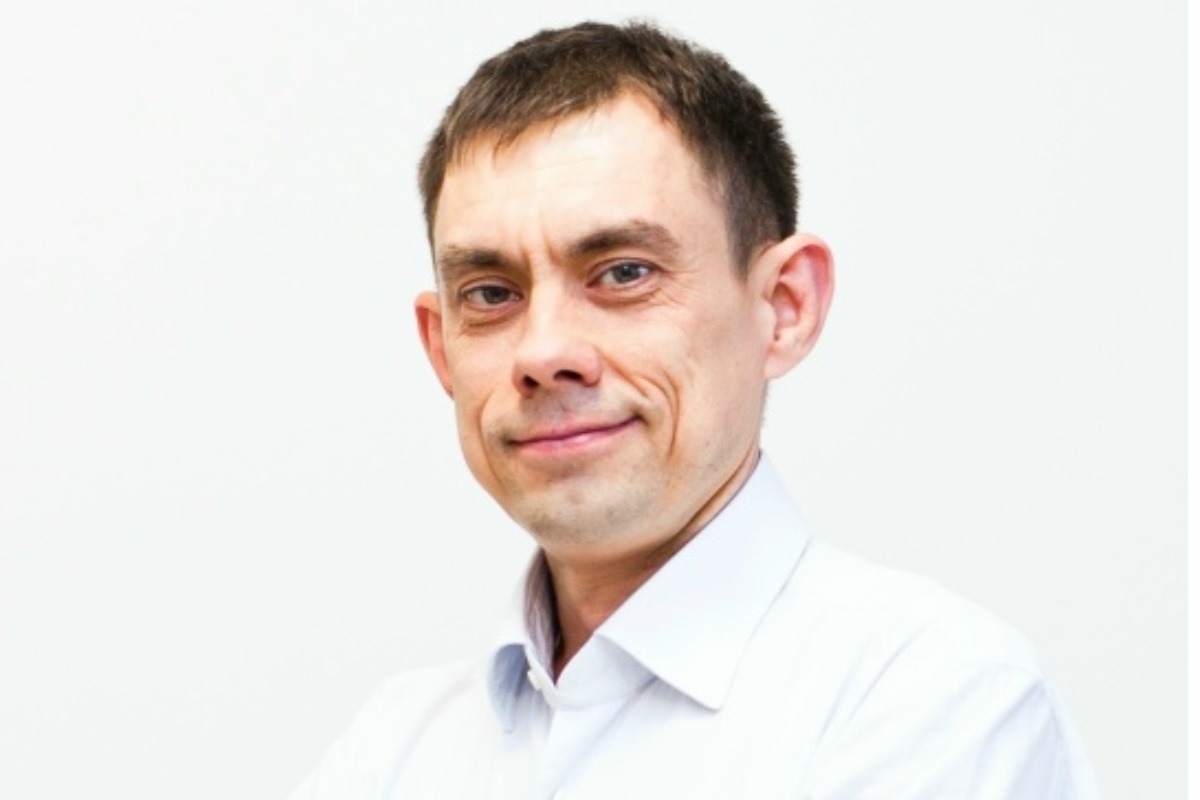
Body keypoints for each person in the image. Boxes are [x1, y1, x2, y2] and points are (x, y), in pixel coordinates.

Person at [291, 21, 1098, 799]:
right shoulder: (391, 751)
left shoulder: (937, 701)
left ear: (783, 307)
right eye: (492, 293)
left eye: (624, 273)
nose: (543, 353)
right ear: (441, 350)